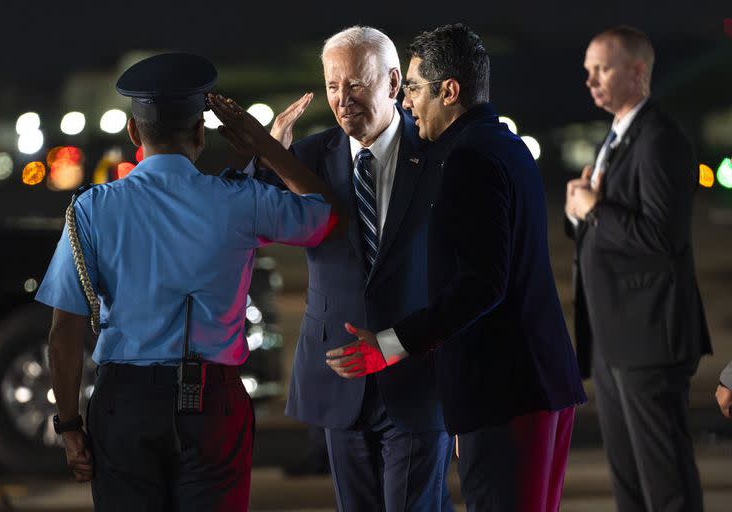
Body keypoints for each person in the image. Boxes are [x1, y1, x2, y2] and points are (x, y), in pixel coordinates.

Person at [35, 52, 337, 511]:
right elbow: (325, 215)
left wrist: (71, 426)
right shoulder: (241, 201)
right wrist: (268, 148)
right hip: (213, 405)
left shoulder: (92, 209)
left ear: (134, 133)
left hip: (124, 405)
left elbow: (64, 335)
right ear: (200, 132)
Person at [326, 23, 587, 512]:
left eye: (417, 90)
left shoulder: (466, 159)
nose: (406, 103)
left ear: (450, 91)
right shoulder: (503, 144)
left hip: (505, 394)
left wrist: (391, 343)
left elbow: (481, 284)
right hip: (532, 384)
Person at [246, 25, 453, 511]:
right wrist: (270, 153)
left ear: (393, 82)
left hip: (418, 369)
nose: (343, 99)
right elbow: (249, 216)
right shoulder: (310, 158)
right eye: (334, 86)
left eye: (356, 84)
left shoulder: (439, 153)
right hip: (339, 373)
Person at [564, 26, 711, 512]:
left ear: (638, 71)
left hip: (650, 339)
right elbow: (609, 227)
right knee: (629, 481)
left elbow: (660, 240)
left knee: (663, 481)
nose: (590, 80)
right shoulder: (617, 136)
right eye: (587, 71)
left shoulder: (659, 138)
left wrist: (594, 212)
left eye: (601, 69)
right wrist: (577, 212)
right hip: (615, 337)